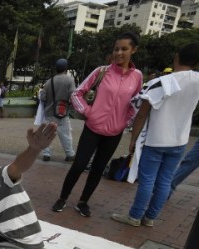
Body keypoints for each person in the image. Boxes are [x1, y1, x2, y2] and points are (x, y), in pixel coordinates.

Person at [52, 32, 142, 217]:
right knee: (79, 165)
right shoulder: (101, 71)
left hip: (114, 132)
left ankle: (83, 202)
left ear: (133, 50)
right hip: (93, 128)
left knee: (98, 168)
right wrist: (88, 112)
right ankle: (62, 197)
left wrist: (126, 122)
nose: (119, 53)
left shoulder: (137, 77)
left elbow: (136, 103)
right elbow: (76, 94)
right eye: (116, 49)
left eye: (124, 49)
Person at [112, 43, 199, 227]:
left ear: (176, 57)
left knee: (147, 181)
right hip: (180, 140)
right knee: (165, 181)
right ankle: (150, 218)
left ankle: (134, 217)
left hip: (156, 140)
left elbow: (142, 114)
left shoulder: (160, 83)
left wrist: (134, 139)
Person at [40, 58, 76, 162]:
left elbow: (43, 98)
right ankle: (69, 154)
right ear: (66, 68)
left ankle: (46, 154)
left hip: (49, 113)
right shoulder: (70, 80)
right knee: (65, 134)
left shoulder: (48, 81)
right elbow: (72, 96)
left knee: (47, 134)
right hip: (62, 112)